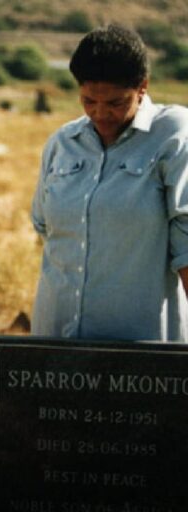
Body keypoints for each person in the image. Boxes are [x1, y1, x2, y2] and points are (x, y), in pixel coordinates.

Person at [31, 24, 188, 341]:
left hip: (139, 346)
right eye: (89, 101)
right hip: (56, 340)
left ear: (142, 87)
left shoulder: (173, 135)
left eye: (116, 103)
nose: (100, 113)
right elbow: (45, 227)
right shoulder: (63, 143)